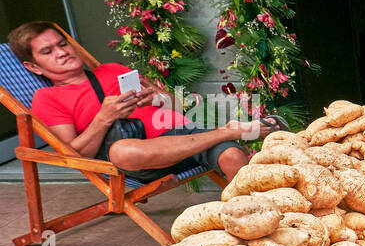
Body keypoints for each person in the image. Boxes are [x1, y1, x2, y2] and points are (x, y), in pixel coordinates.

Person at [8, 21, 283, 183]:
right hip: (145, 160)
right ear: (33, 67)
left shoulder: (113, 70)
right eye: (48, 51)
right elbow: (74, 156)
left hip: (187, 137)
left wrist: (160, 98)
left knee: (232, 157)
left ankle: (264, 223)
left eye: (62, 43)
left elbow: (176, 111)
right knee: (122, 152)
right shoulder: (47, 98)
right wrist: (104, 118)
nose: (62, 52)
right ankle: (230, 131)